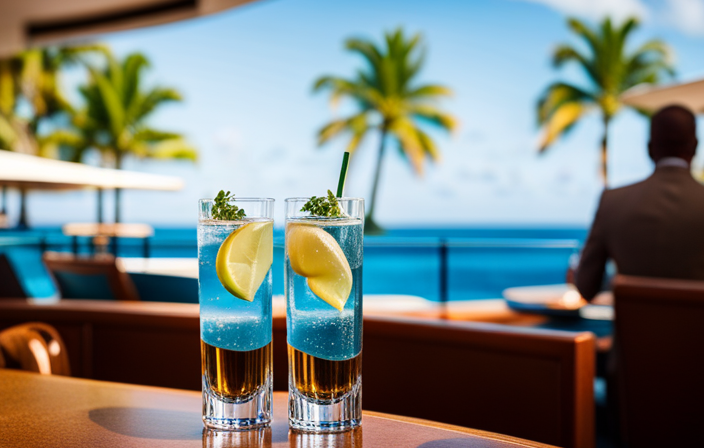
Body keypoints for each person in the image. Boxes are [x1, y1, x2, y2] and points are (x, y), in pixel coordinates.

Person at [575, 105, 704, 299]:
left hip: (632, 330)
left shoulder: (612, 202)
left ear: (650, 148)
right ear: (695, 146)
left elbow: (585, 287)